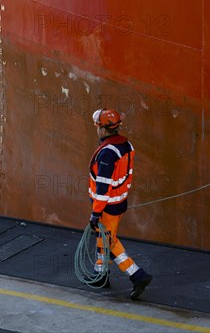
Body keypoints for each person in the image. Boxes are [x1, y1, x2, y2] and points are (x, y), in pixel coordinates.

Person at [88, 109, 152, 300]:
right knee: (104, 237)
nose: (96, 130)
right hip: (119, 202)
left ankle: (137, 275)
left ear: (104, 129)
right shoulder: (126, 145)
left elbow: (103, 186)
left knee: (109, 242)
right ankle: (100, 274)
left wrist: (95, 212)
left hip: (107, 206)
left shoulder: (107, 153)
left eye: (97, 126)